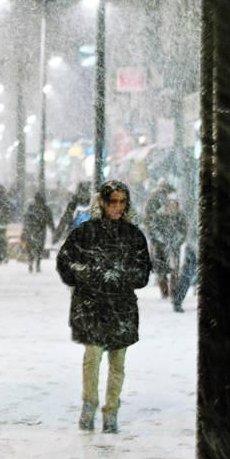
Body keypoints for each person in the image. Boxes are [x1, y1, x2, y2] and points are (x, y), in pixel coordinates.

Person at [55, 179, 152, 434]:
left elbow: (143, 273)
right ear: (103, 202)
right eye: (113, 201)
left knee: (117, 362)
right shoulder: (86, 232)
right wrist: (91, 275)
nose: (117, 207)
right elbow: (66, 261)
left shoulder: (133, 236)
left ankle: (111, 411)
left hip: (120, 306)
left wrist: (120, 276)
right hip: (93, 305)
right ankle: (90, 404)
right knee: (93, 357)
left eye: (122, 202)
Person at [149, 194, 188, 300]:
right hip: (160, 247)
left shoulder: (180, 215)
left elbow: (183, 230)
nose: (172, 206)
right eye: (170, 203)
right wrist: (161, 240)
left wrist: (176, 241)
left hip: (174, 248)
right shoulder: (159, 214)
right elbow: (154, 229)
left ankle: (174, 292)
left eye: (174, 203)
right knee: (161, 272)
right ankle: (164, 292)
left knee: (174, 270)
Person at [22, 190, 54, 274]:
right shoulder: (46, 208)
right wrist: (53, 230)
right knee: (39, 248)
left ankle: (30, 263)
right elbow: (50, 220)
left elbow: (26, 220)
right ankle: (38, 265)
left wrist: (24, 230)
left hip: (31, 230)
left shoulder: (31, 207)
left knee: (31, 247)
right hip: (41, 230)